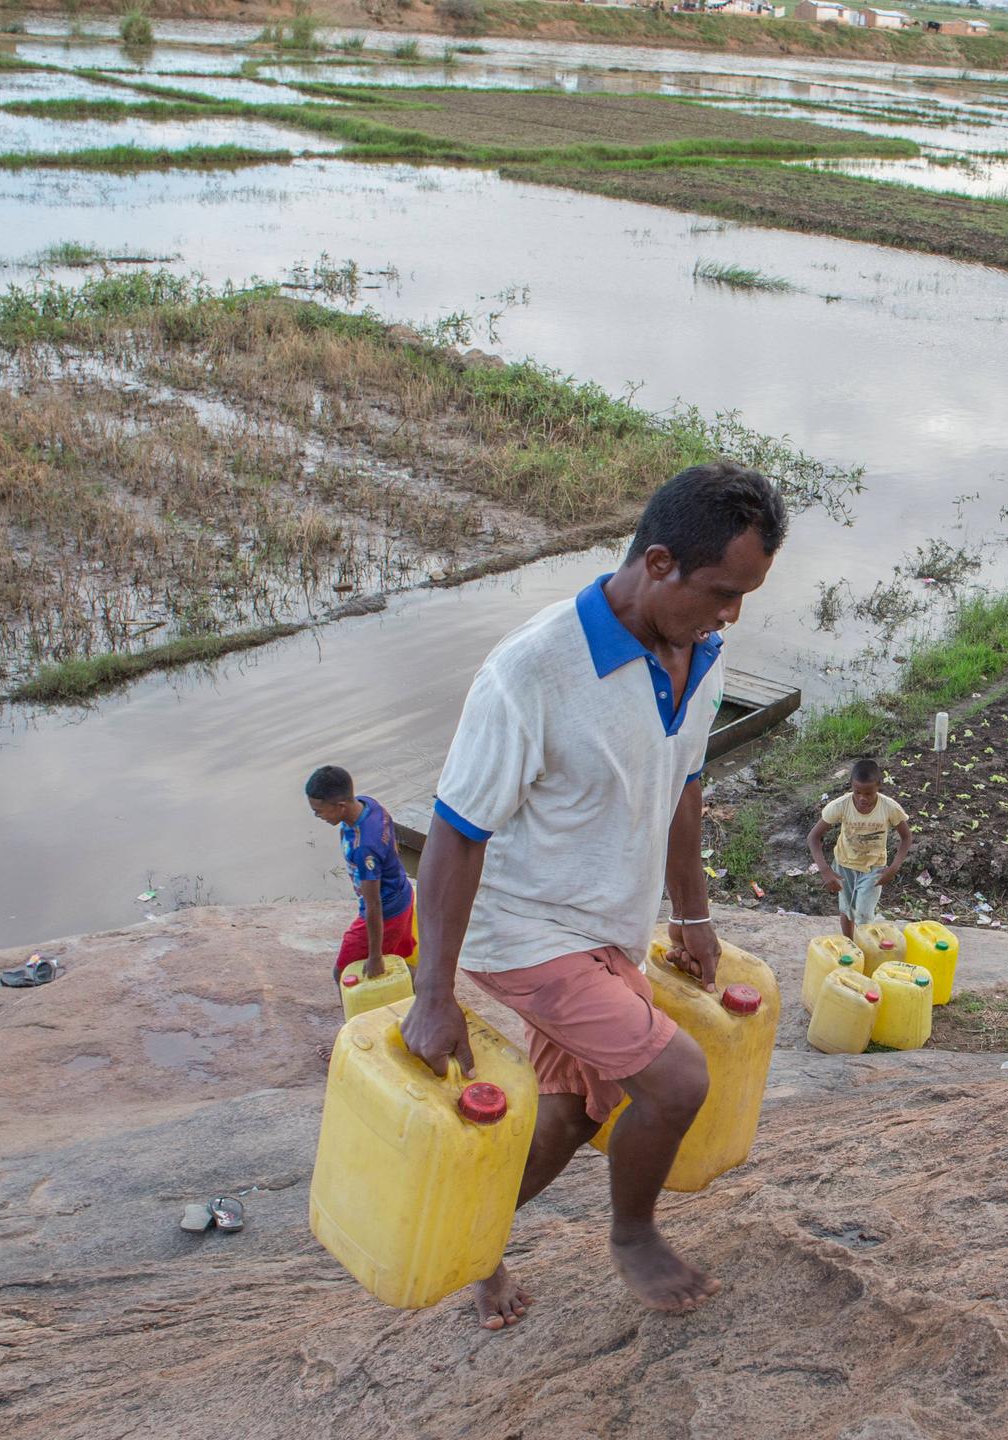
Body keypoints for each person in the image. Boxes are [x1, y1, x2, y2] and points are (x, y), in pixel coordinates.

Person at [401, 461, 786, 1329]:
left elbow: (683, 785)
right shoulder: (530, 673)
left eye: (746, 596)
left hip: (608, 924)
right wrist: (433, 997)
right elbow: (457, 833)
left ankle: (474, 1244)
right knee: (676, 1080)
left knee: (574, 1113)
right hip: (524, 931)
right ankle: (633, 1233)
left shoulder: (700, 653)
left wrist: (692, 915)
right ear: (659, 563)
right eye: (723, 592)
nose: (732, 615)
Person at [305, 765, 416, 994]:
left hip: (386, 912)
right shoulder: (369, 804)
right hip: (402, 895)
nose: (318, 816)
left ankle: (359, 1023)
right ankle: (426, 1000)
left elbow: (374, 903)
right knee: (399, 960)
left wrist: (374, 956)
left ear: (340, 806)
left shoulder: (365, 848)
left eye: (319, 811)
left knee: (343, 972)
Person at [808, 758, 912, 943]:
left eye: (868, 793)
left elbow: (906, 837)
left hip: (874, 868)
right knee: (847, 910)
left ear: (878, 786)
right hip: (844, 865)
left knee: (864, 914)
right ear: (851, 787)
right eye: (857, 792)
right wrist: (825, 871)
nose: (862, 798)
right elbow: (813, 837)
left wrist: (894, 868)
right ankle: (850, 946)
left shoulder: (889, 808)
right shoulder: (841, 805)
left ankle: (866, 948)